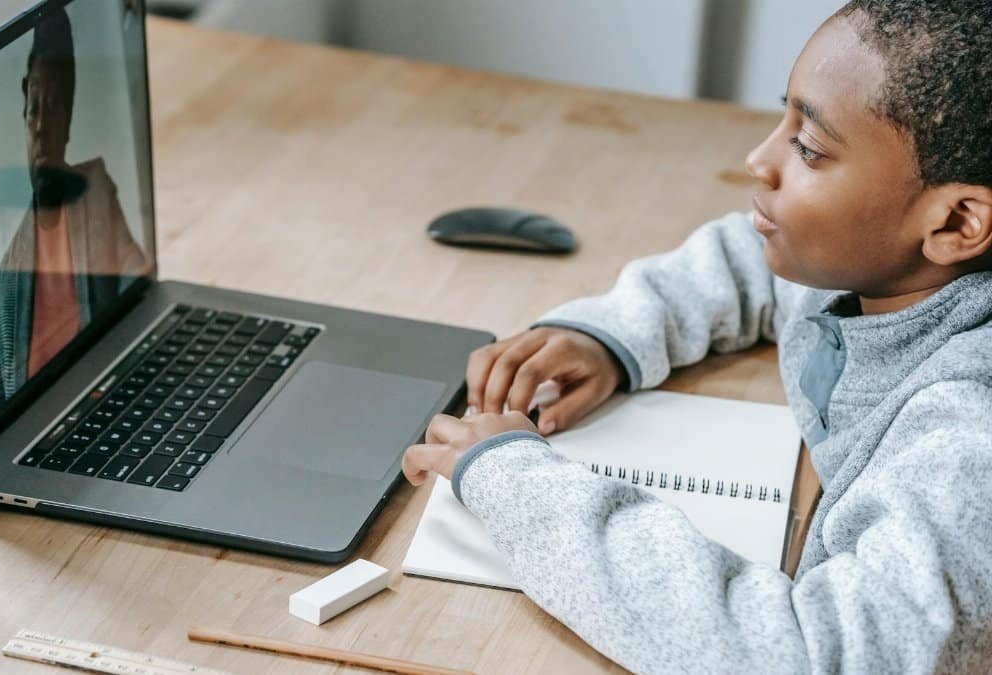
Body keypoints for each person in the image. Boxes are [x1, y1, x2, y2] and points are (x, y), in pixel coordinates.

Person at [401, 1, 992, 671]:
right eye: (783, 119)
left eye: (807, 147)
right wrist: (613, 335)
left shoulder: (969, 438)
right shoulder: (882, 267)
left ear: (957, 223)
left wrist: (517, 485)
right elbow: (756, 257)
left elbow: (814, 657)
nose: (757, 159)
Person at [0, 8, 146, 413]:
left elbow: (139, 292)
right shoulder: (11, 266)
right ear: (24, 113)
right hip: (38, 431)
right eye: (35, 108)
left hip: (106, 407)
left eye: (53, 109)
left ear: (69, 120)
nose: (40, 128)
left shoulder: (95, 194)